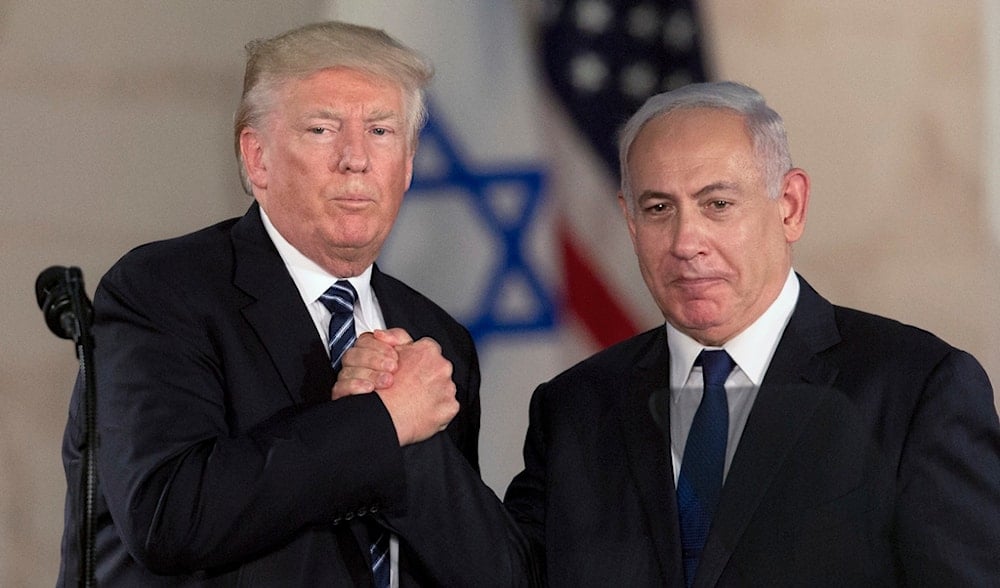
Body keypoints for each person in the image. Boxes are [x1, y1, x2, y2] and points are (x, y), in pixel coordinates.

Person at [58, 21, 532, 586]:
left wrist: (407, 435)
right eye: (321, 129)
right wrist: (378, 422)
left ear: (407, 165)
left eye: (381, 131)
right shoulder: (165, 291)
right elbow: (167, 516)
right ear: (257, 159)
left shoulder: (435, 336)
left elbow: (493, 574)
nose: (356, 159)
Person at [497, 81, 1000, 586]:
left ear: (790, 205)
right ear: (629, 221)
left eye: (717, 204)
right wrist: (417, 444)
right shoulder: (573, 407)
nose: (686, 242)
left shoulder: (916, 391)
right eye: (658, 209)